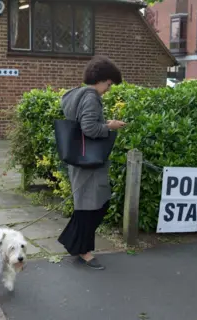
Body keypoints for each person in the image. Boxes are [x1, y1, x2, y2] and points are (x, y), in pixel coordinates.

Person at [57, 55, 126, 270]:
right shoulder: (91, 97)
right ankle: (84, 251)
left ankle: (75, 244)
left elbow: (82, 124)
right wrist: (110, 126)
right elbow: (89, 128)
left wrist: (102, 123)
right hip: (88, 162)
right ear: (101, 79)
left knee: (89, 205)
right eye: (109, 84)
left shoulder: (74, 94)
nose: (109, 89)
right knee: (93, 207)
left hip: (79, 158)